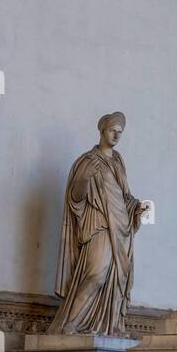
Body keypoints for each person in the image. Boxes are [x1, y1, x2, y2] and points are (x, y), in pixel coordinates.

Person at [49, 112, 145, 336]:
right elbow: (75, 198)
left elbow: (124, 196)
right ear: (102, 131)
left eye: (120, 132)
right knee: (97, 274)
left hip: (121, 230)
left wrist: (135, 208)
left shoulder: (118, 160)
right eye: (113, 130)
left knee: (117, 277)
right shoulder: (88, 161)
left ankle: (110, 326)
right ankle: (70, 324)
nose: (116, 136)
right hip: (99, 226)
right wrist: (83, 179)